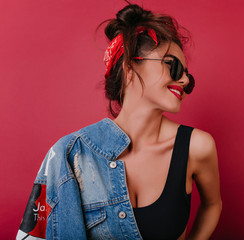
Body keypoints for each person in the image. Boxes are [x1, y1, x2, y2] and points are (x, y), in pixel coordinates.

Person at [16, 3, 222, 240]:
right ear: (130, 67)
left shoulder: (197, 147)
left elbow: (213, 204)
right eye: (172, 66)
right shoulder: (70, 154)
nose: (185, 80)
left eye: (188, 75)